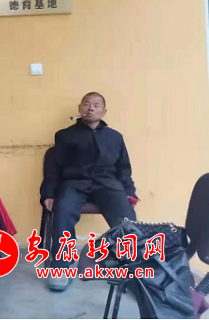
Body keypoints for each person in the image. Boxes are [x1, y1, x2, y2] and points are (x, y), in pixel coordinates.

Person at [40, 92, 139, 292]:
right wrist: (48, 193)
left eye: (96, 105)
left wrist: (129, 192)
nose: (91, 108)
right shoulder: (65, 135)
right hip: (74, 184)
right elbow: (54, 168)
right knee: (63, 209)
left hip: (107, 185)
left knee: (127, 217)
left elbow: (123, 169)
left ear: (104, 111)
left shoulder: (115, 137)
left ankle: (131, 267)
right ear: (80, 108)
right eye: (86, 104)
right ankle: (61, 267)